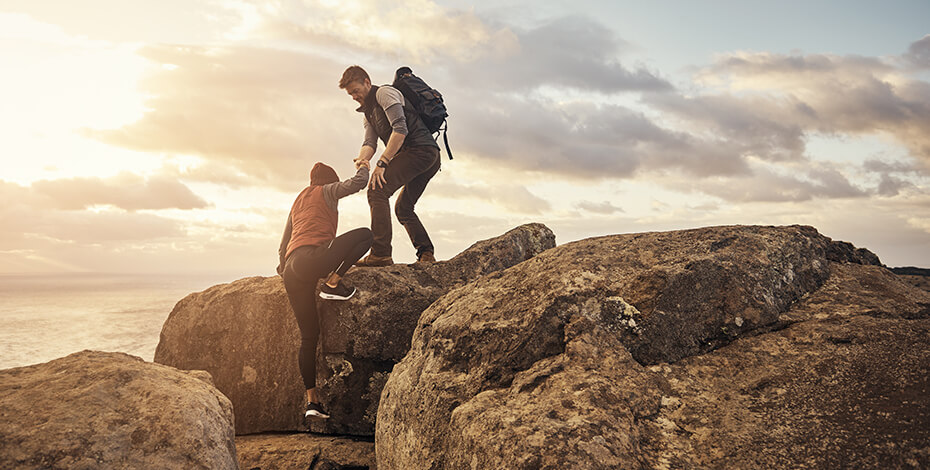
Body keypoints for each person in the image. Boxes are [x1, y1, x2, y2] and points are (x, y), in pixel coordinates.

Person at [277, 160, 372, 421]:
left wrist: (283, 266)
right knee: (366, 235)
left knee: (309, 337)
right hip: (313, 259)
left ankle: (312, 402)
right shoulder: (327, 190)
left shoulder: (298, 200)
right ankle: (333, 283)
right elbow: (359, 183)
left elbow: (284, 241)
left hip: (292, 271)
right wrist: (364, 165)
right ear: (330, 180)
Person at [339, 65, 441, 267]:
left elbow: (400, 130)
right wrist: (362, 160)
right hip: (426, 154)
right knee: (403, 208)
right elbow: (369, 143)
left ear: (367, 82)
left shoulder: (385, 94)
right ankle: (426, 253)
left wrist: (382, 163)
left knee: (377, 190)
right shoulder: (368, 113)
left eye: (356, 91)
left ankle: (381, 253)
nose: (353, 96)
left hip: (419, 151)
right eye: (350, 94)